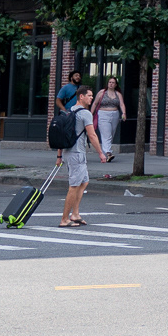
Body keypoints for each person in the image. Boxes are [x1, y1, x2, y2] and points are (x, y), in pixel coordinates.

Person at [58, 85, 110, 228]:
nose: (92, 98)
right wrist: (101, 153)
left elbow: (62, 134)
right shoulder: (85, 113)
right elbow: (92, 135)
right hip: (77, 154)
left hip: (69, 152)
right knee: (74, 186)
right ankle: (64, 219)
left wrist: (59, 156)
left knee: (84, 182)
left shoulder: (69, 111)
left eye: (92, 96)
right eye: (89, 95)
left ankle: (75, 214)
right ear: (81, 96)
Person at [92, 80, 125, 161]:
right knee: (106, 134)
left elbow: (121, 104)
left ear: (116, 85)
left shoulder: (118, 94)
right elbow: (95, 103)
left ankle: (104, 154)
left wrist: (124, 113)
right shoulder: (102, 92)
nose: (111, 84)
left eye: (113, 83)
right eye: (110, 82)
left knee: (111, 134)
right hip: (103, 114)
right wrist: (90, 114)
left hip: (115, 114)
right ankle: (108, 153)